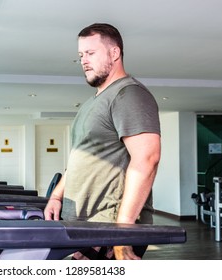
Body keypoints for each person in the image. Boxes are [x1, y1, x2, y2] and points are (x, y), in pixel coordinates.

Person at [44, 23, 161, 260]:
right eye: (80, 55)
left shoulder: (129, 95)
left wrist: (123, 231)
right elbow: (79, 158)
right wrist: (56, 196)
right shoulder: (92, 102)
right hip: (84, 224)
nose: (84, 61)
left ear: (114, 53)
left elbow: (147, 159)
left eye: (90, 53)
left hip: (107, 228)